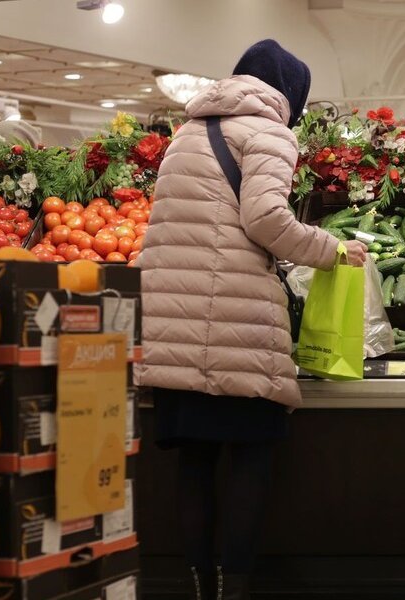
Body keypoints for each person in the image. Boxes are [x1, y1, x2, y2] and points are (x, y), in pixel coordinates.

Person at [137, 39, 366, 600]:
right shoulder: (269, 132)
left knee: (194, 461)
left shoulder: (186, 134)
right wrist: (331, 248)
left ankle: (199, 587)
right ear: (290, 96)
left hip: (171, 321)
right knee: (249, 463)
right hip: (235, 323)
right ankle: (234, 588)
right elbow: (265, 218)